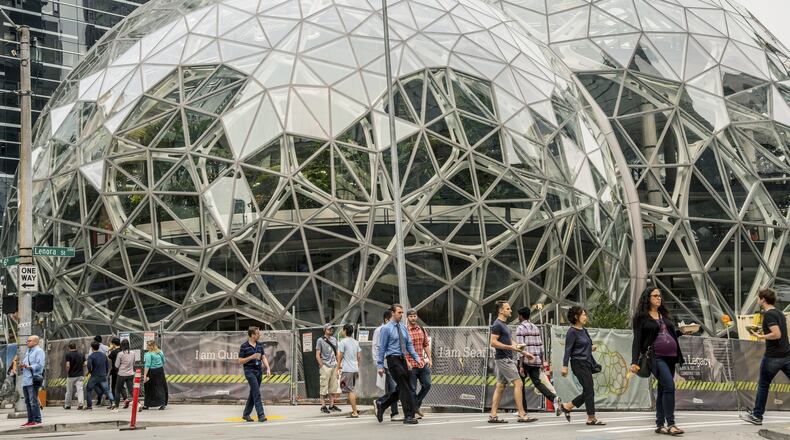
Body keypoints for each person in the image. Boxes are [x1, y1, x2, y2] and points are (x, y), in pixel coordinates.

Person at [631, 286, 689, 435]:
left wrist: (680, 332)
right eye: (655, 295)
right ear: (647, 298)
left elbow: (669, 334)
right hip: (656, 357)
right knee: (669, 386)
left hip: (671, 357)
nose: (659, 298)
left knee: (663, 389)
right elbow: (637, 341)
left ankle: (659, 424)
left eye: (660, 296)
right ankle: (671, 424)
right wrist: (634, 362)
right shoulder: (641, 318)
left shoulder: (664, 315)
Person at [741, 287, 790, 425]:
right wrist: (763, 329)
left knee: (763, 385)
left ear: (763, 299)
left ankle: (757, 416)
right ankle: (756, 415)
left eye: (758, 297)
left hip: (773, 357)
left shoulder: (768, 315)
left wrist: (760, 335)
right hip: (786, 354)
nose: (757, 300)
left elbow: (777, 334)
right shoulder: (779, 313)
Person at [488, 300, 537, 424]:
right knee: (519, 384)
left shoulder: (504, 325)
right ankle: (522, 414)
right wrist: (511, 348)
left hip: (505, 358)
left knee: (500, 386)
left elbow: (511, 342)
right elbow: (493, 342)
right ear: (501, 310)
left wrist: (525, 353)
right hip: (504, 359)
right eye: (508, 308)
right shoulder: (497, 324)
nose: (510, 310)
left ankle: (493, 416)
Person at [375, 303, 423, 425]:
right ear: (393, 313)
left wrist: (417, 359)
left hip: (403, 359)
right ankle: (408, 416)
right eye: (399, 312)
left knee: (402, 387)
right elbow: (381, 348)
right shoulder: (386, 329)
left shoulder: (403, 328)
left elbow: (409, 345)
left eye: (402, 312)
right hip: (392, 360)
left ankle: (382, 403)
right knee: (405, 387)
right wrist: (380, 365)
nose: (402, 315)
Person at [558, 306, 604, 426]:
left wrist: (590, 347)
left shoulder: (584, 330)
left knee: (588, 390)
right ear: (576, 317)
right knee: (589, 390)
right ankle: (591, 418)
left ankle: (567, 406)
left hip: (587, 363)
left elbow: (587, 344)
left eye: (585, 314)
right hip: (578, 363)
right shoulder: (571, 332)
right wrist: (564, 366)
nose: (585, 317)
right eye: (583, 314)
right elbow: (568, 350)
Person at [515, 306, 559, 411]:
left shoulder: (520, 328)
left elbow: (521, 347)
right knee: (538, 383)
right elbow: (540, 346)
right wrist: (542, 360)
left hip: (525, 360)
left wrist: (520, 365)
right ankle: (554, 399)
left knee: (520, 385)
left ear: (520, 316)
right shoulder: (535, 327)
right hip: (536, 360)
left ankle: (523, 410)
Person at [372, 310, 400, 421]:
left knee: (391, 388)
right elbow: (376, 347)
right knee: (394, 387)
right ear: (386, 320)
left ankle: (380, 402)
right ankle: (394, 412)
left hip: (392, 362)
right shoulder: (379, 330)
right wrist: (378, 364)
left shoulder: (394, 328)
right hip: (385, 362)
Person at [239, 327, 271, 422]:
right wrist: (252, 357)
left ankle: (246, 414)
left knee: (253, 393)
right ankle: (261, 415)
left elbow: (263, 357)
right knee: (256, 393)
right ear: (252, 335)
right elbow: (240, 361)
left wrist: (268, 368)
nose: (259, 335)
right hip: (249, 371)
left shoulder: (260, 345)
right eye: (257, 333)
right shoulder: (244, 346)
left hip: (259, 371)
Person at [405, 309, 432, 418]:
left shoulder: (421, 329)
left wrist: (430, 359)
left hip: (421, 363)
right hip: (411, 364)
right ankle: (413, 411)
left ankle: (415, 405)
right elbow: (402, 348)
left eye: (415, 316)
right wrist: (406, 362)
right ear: (407, 317)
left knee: (427, 384)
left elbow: (425, 344)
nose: (413, 318)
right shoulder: (404, 330)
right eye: (411, 316)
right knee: (412, 389)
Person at [19, 335, 45, 427]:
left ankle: (37, 420)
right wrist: (23, 366)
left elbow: (40, 365)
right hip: (26, 380)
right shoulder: (28, 351)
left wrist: (29, 366)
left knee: (33, 401)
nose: (27, 342)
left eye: (29, 341)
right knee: (27, 401)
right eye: (27, 341)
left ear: (35, 342)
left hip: (33, 379)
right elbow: (26, 363)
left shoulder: (39, 351)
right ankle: (30, 420)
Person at [316, 323, 341, 414]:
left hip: (334, 365)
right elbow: (317, 354)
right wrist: (322, 366)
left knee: (333, 387)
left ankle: (331, 405)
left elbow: (337, 353)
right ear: (324, 330)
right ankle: (323, 406)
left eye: (331, 329)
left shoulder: (334, 339)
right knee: (323, 387)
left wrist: (338, 366)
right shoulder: (320, 340)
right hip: (325, 366)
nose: (331, 330)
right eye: (329, 329)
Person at [337, 324, 361, 418]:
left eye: (342, 330)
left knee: (349, 390)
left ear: (345, 330)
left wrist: (337, 368)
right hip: (355, 368)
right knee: (351, 389)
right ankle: (355, 408)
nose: (342, 332)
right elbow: (359, 356)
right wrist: (357, 368)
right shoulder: (356, 342)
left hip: (347, 369)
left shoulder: (342, 342)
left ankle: (354, 412)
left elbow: (340, 356)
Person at [86, 341, 114, 410]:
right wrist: (106, 372)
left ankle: (89, 406)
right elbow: (107, 365)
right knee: (107, 390)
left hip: (94, 375)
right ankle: (113, 403)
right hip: (103, 375)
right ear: (99, 347)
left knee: (88, 389)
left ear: (92, 348)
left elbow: (89, 365)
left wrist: (90, 372)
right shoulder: (104, 355)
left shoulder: (91, 356)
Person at [141, 339, 168, 411]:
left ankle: (147, 404)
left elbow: (147, 365)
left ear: (149, 346)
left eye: (147, 345)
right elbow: (163, 361)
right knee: (160, 387)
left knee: (149, 388)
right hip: (160, 371)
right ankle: (162, 403)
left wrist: (145, 375)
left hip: (152, 372)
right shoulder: (160, 352)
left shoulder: (148, 354)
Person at [113, 340, 136, 411]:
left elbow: (116, 365)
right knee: (131, 390)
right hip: (130, 374)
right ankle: (138, 404)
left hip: (122, 374)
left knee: (117, 390)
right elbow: (134, 363)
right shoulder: (133, 353)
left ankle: (116, 407)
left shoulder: (120, 354)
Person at [64, 341, 85, 410]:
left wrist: (68, 371)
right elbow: (85, 364)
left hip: (71, 375)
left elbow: (68, 365)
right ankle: (81, 404)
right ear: (76, 347)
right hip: (80, 375)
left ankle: (67, 405)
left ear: (69, 348)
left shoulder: (68, 354)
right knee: (80, 390)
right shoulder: (81, 354)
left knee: (69, 391)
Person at [107, 338, 123, 407]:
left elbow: (108, 357)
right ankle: (124, 399)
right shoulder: (122, 351)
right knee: (120, 387)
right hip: (122, 371)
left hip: (115, 371)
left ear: (113, 344)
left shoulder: (114, 352)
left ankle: (114, 403)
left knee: (113, 387)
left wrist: (109, 350)